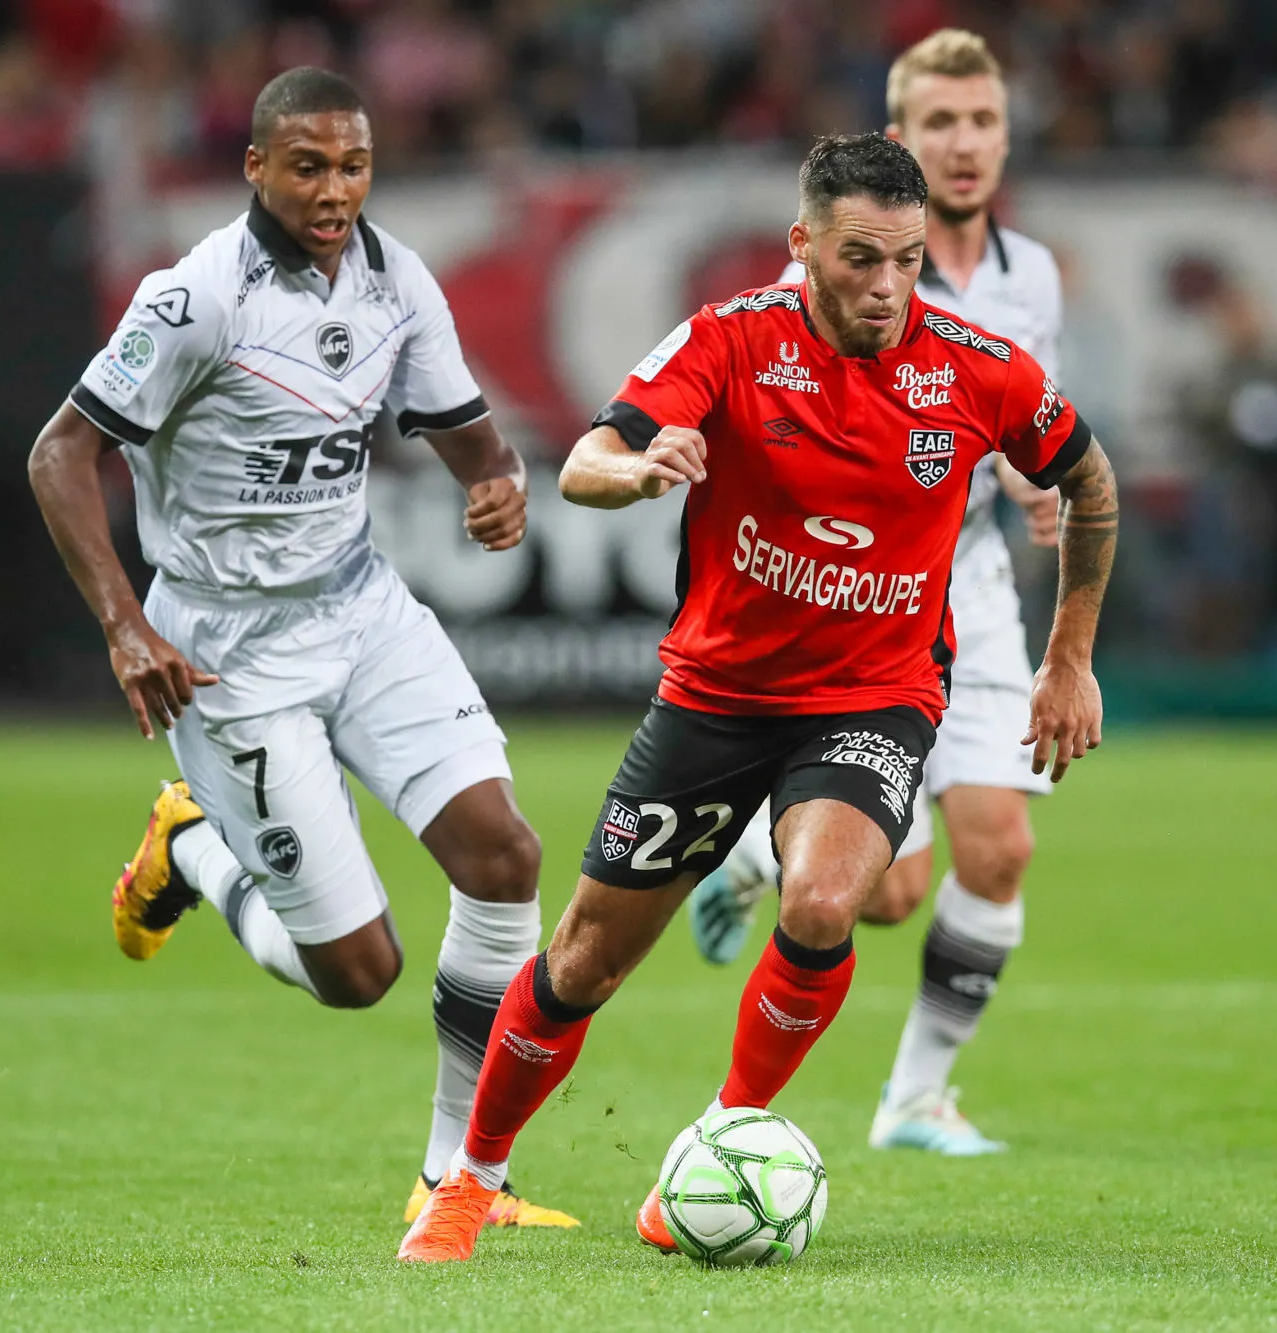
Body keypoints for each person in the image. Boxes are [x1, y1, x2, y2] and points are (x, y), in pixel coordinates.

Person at [398, 131, 1117, 1263]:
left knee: (824, 902)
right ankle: (468, 1182)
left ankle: (719, 1139)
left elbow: (1087, 477)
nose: (886, 287)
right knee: (583, 959)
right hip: (716, 698)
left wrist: (1067, 656)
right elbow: (586, 460)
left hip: (873, 698)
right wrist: (638, 470)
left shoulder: (975, 367)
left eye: (906, 261)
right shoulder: (731, 340)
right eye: (859, 259)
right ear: (803, 245)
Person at [26, 67, 575, 1233]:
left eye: (354, 166)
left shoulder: (396, 279)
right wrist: (125, 625)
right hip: (227, 649)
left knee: (504, 856)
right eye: (309, 166)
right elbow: (59, 454)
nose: (334, 190)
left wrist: (496, 484)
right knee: (359, 975)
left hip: (362, 610)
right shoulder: (195, 299)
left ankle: (459, 1177)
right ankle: (194, 850)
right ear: (257, 167)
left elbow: (470, 437)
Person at [687, 29, 1072, 1156]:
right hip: (857, 597)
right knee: (889, 892)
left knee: (998, 848)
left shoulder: (1030, 274)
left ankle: (915, 1098)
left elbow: (1026, 417)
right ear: (901, 141)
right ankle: (754, 856)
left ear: (1006, 137)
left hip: (971, 581)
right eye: (941, 123)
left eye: (983, 121)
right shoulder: (830, 276)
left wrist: (1033, 480)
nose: (965, 144)